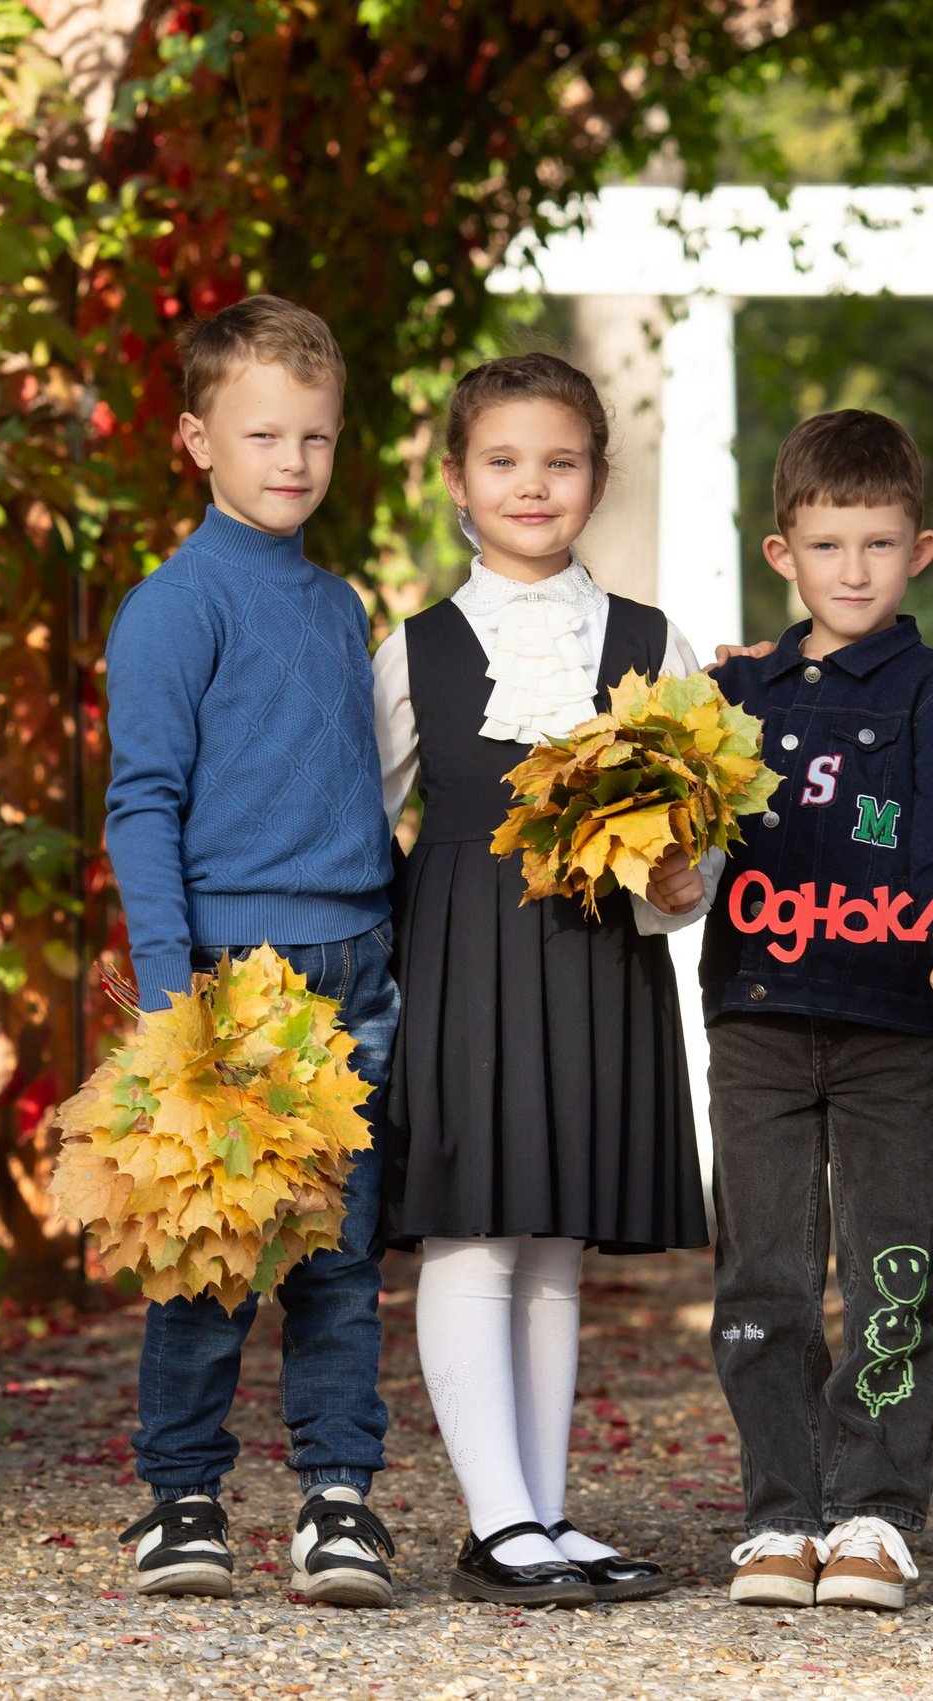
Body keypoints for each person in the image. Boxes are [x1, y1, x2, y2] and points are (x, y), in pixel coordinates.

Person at [373, 352, 718, 1608]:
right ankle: (496, 1517)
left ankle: (544, 1513)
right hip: (462, 952)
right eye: (504, 461)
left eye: (560, 462)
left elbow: (700, 822)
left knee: (555, 1239)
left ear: (597, 479)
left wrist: (684, 884)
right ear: (457, 480)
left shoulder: (653, 639)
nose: (533, 485)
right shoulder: (412, 650)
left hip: (595, 958)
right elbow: (367, 816)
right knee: (473, 1229)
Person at [102, 294, 401, 1607]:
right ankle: (182, 1499)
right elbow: (143, 803)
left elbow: (358, 789)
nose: (293, 461)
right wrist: (178, 999)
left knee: (339, 1259)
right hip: (234, 977)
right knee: (212, 1261)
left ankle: (339, 1499)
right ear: (196, 441)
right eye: (265, 433)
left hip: (357, 971)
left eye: (316, 438)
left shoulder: (340, 606)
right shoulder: (171, 608)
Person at [699, 410, 933, 1615]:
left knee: (890, 1276)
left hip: (891, 1032)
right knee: (762, 1274)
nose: (854, 571)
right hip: (757, 1020)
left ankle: (873, 1512)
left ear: (918, 548)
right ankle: (780, 1514)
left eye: (877, 545)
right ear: (784, 555)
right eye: (828, 547)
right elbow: (692, 847)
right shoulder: (728, 695)